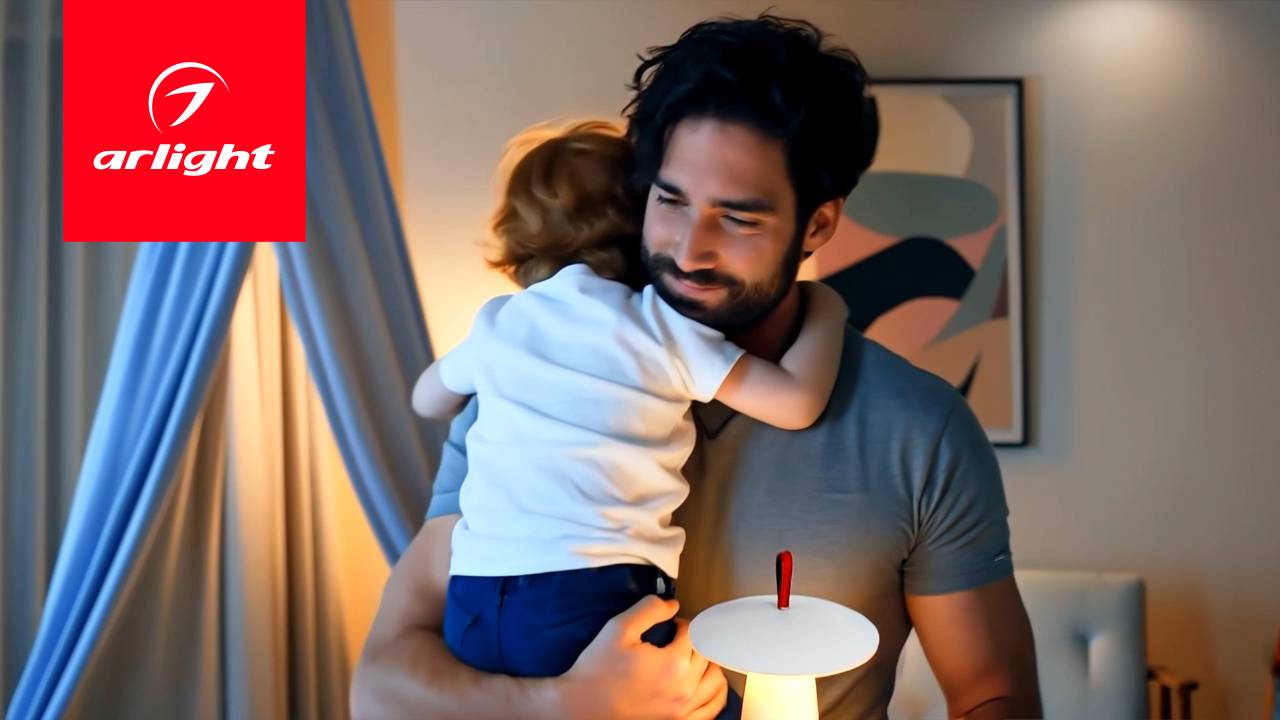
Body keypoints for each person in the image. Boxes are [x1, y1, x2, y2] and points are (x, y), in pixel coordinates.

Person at [353, 13, 1041, 720]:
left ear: (818, 224)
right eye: (670, 200)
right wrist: (564, 704)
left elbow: (993, 694)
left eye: (737, 218)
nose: (689, 251)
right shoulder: (518, 394)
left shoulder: (918, 431)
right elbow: (379, 688)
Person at [408, 118, 849, 679]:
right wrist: (826, 304)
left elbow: (426, 399)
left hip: (473, 597)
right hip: (589, 596)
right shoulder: (656, 326)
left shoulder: (500, 323)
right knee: (707, 701)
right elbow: (797, 404)